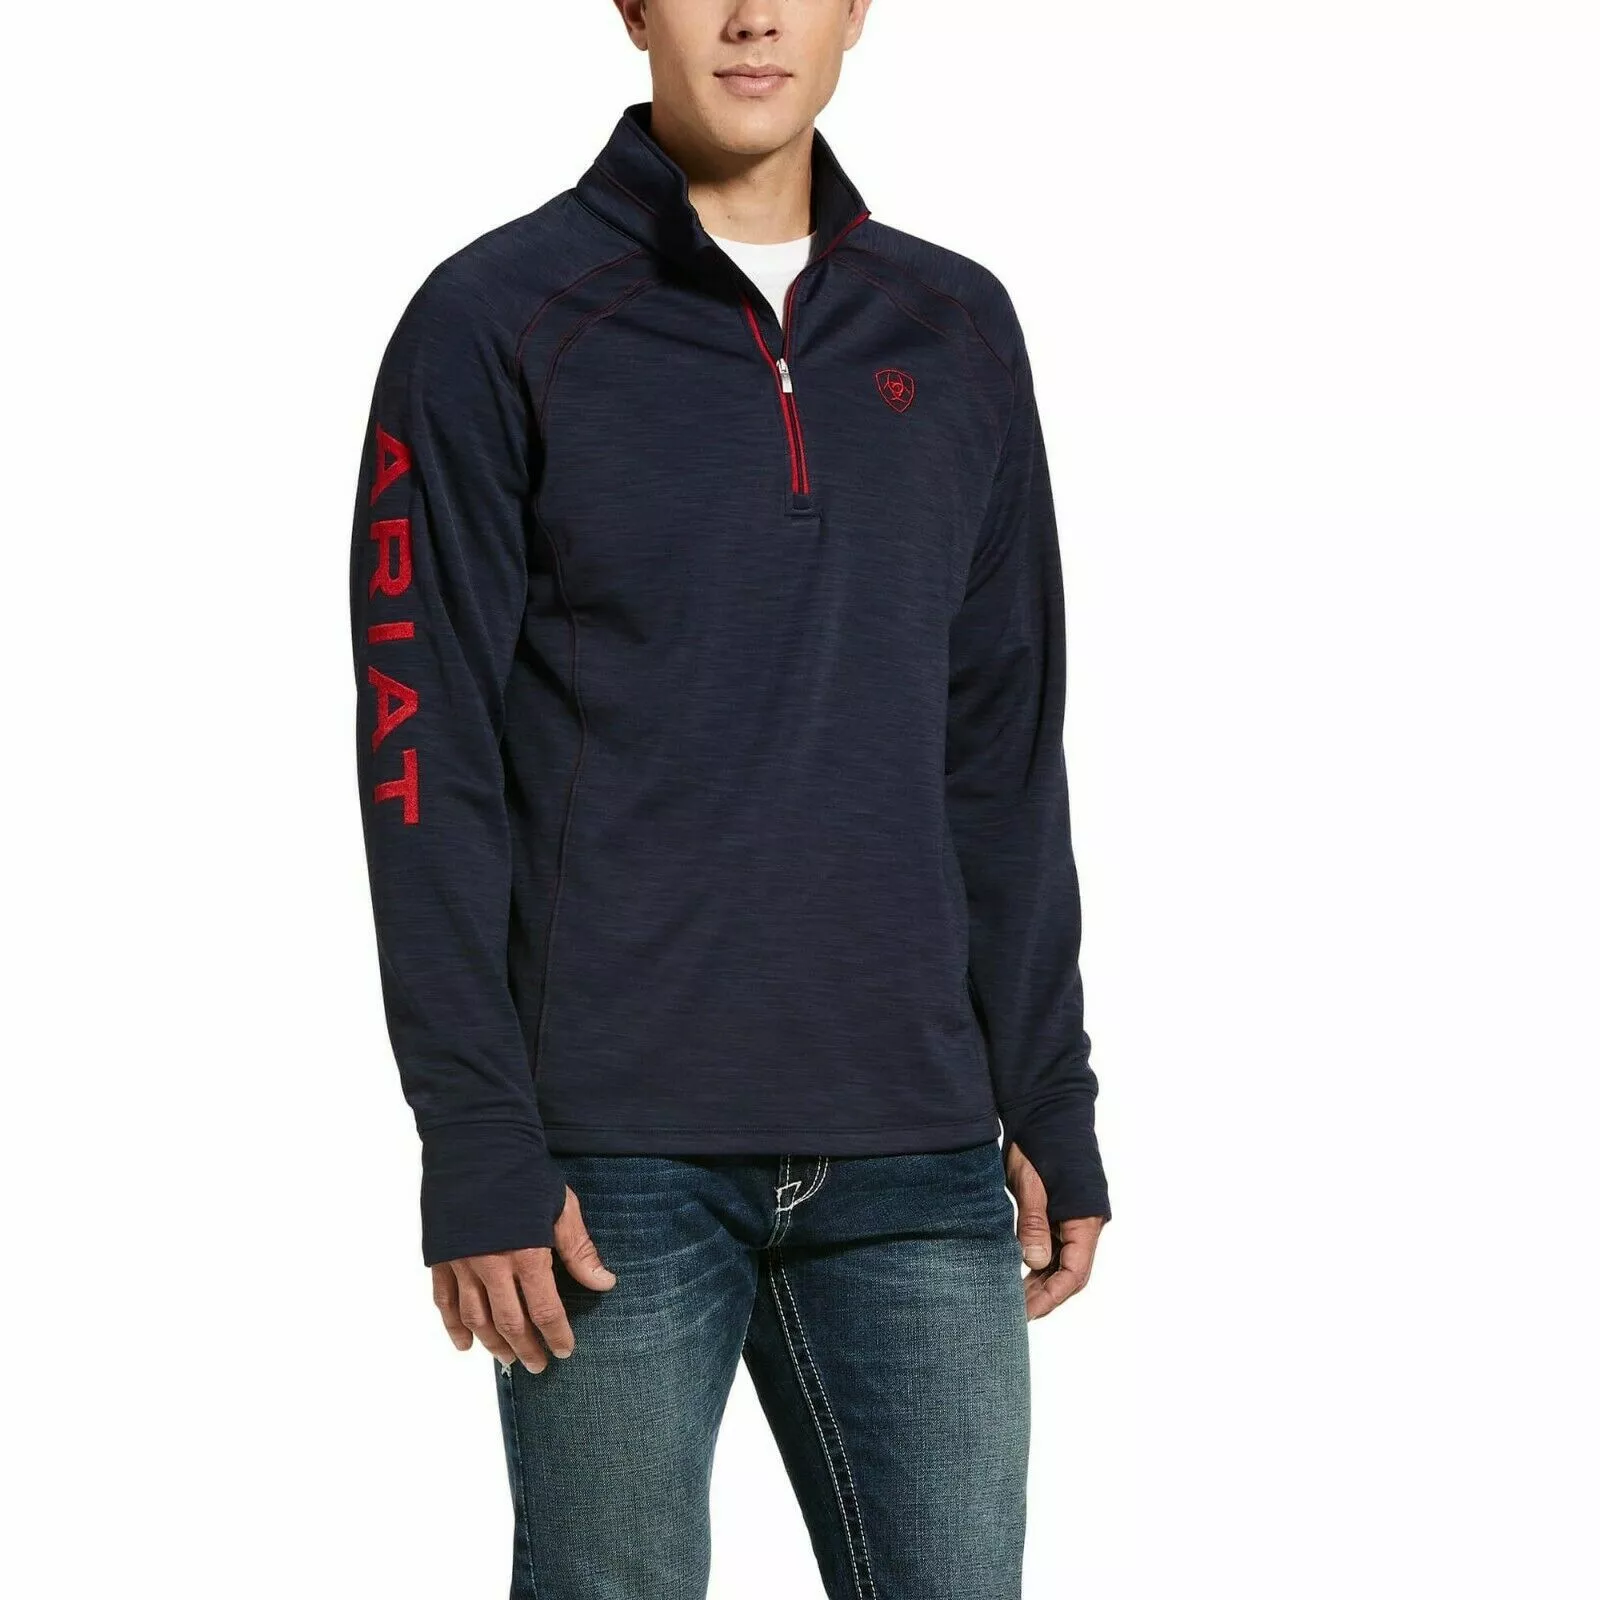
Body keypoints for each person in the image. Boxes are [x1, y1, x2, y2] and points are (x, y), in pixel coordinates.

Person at [348, 3, 1111, 1595]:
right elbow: (425, 762)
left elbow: (1003, 742)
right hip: (608, 1166)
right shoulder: (494, 318)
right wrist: (474, 1135)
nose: (753, 14)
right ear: (633, 7)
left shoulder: (957, 328)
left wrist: (1048, 1089)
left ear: (857, 10)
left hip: (918, 1147)